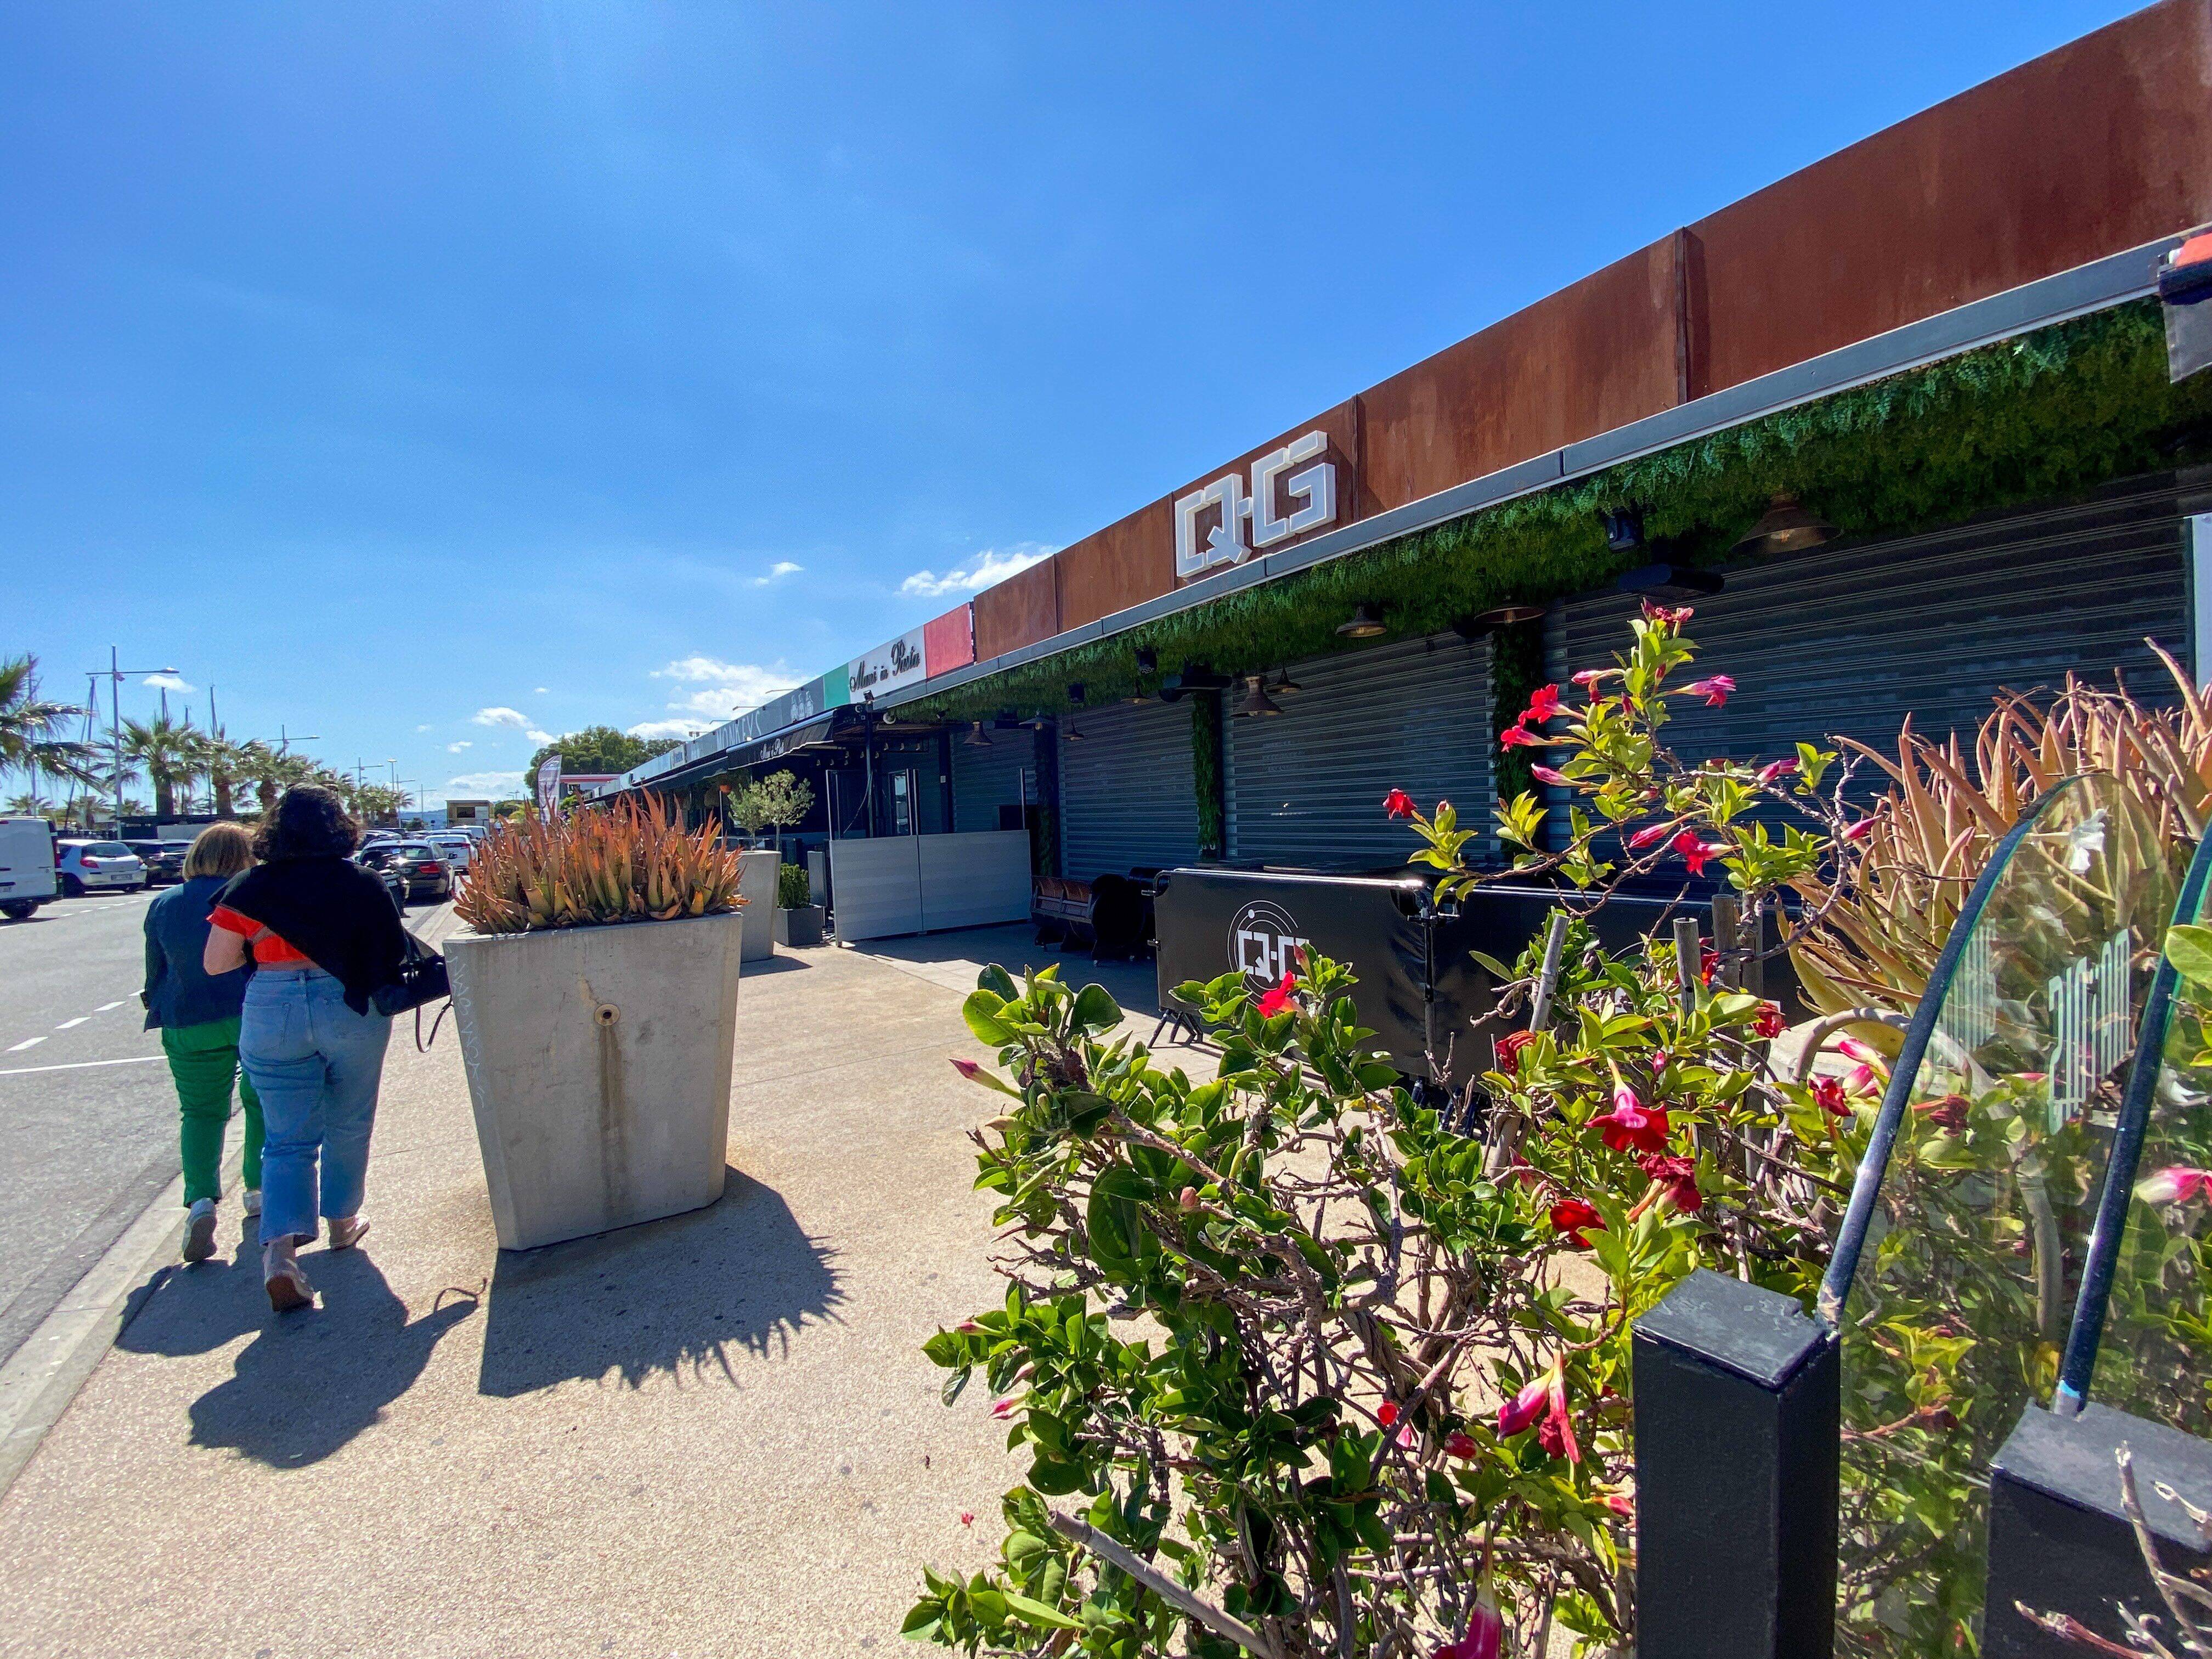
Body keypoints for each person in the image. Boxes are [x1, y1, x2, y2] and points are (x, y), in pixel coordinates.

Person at [204, 785, 408, 1312]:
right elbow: (391, 953)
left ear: (275, 829)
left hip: (271, 1009)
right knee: (350, 1119)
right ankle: (342, 1222)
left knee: (286, 1137)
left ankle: (279, 1253)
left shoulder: (247, 888)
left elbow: (217, 963)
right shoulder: (362, 883)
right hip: (349, 1006)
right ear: (339, 826)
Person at [142, 821, 264, 1265]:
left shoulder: (164, 903)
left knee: (199, 1112)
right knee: (261, 1102)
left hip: (185, 1018)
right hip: (250, 1011)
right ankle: (257, 1189)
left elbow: (155, 969)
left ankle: (200, 1201)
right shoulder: (246, 895)